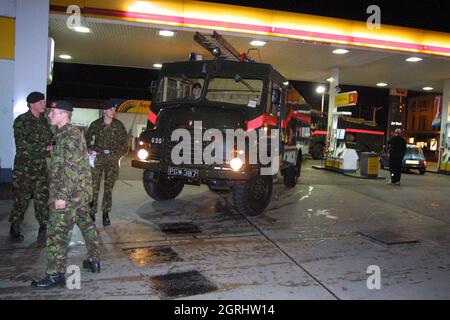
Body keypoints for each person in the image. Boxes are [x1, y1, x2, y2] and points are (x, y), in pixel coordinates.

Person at [31, 100, 100, 290]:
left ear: (64, 115)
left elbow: (71, 169)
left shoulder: (68, 136)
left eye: (53, 112)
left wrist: (61, 196)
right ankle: (95, 259)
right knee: (86, 224)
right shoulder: (67, 134)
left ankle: (55, 275)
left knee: (56, 233)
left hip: (68, 195)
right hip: (78, 194)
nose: (49, 115)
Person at [9, 91, 53, 242]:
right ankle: (15, 225)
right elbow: (22, 146)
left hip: (40, 166)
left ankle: (43, 224)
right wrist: (45, 148)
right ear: (32, 104)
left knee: (42, 196)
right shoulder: (21, 121)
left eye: (44, 101)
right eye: (41, 102)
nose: (44, 104)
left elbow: (50, 139)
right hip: (25, 168)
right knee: (22, 197)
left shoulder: (44, 121)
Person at [85, 101, 128, 226]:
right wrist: (92, 149)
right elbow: (87, 139)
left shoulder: (119, 125)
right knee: (94, 187)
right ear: (104, 111)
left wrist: (117, 155)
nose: (113, 112)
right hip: (98, 159)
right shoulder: (96, 124)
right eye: (110, 109)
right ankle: (92, 212)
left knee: (108, 188)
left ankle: (106, 213)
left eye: (114, 109)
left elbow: (125, 143)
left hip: (112, 160)